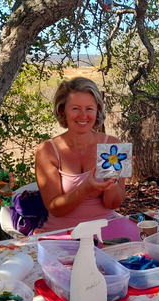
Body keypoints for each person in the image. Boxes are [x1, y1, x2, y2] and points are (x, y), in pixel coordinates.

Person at [34, 77, 125, 233]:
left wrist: (112, 182)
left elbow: (113, 204)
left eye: (89, 109)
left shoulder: (112, 146)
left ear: (97, 110)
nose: (83, 115)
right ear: (62, 110)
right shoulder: (47, 150)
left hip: (107, 229)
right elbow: (56, 209)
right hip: (63, 232)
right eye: (76, 108)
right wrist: (85, 189)